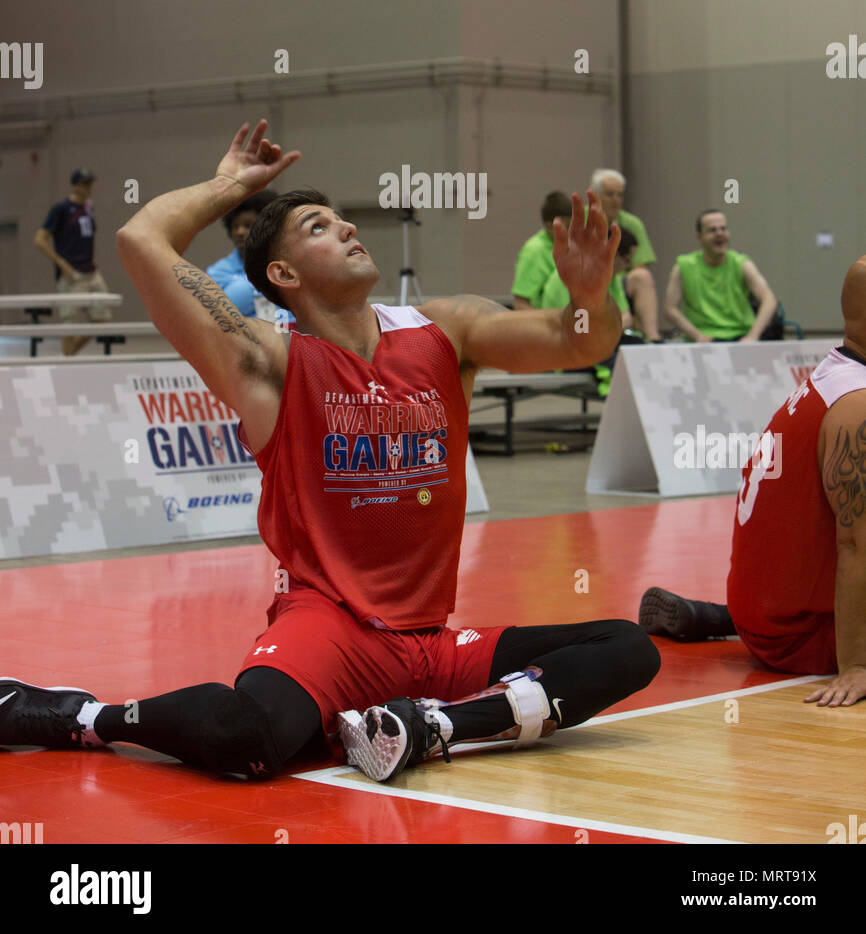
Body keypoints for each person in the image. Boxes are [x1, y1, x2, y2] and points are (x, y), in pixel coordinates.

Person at [1, 119, 659, 784]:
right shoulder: (267, 361)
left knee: (627, 646)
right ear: (282, 273)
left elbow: (582, 343)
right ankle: (74, 715)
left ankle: (431, 728)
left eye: (342, 220)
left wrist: (587, 299)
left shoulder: (445, 331)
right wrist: (229, 185)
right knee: (249, 739)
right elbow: (140, 238)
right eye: (318, 227)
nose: (346, 228)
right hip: (330, 630)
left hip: (431, 645)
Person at [640, 256, 866, 709]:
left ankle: (713, 617)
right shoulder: (857, 406)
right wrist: (857, 666)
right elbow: (856, 546)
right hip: (802, 635)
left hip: (766, 614)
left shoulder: (834, 379)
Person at [541, 227, 644, 395]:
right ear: (612, 254)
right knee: (612, 356)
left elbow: (626, 317)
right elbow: (576, 327)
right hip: (566, 348)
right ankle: (620, 398)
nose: (627, 268)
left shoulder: (610, 277)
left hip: (599, 341)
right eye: (626, 260)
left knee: (638, 347)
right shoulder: (571, 276)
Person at [664, 210, 778, 342]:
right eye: (712, 230)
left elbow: (769, 300)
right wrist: (697, 335)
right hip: (702, 342)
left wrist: (753, 336)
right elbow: (670, 309)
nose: (719, 234)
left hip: (740, 338)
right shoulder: (683, 266)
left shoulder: (741, 263)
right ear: (699, 237)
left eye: (723, 229)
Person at [33, 168, 110, 356]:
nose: (89, 187)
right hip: (71, 274)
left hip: (90, 271)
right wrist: (62, 263)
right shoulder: (62, 209)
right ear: (75, 185)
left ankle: (70, 355)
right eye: (85, 183)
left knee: (102, 320)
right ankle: (67, 363)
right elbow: (40, 240)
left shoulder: (89, 208)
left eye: (90, 183)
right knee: (70, 324)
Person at [590, 169, 661, 342]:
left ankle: (653, 339)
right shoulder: (579, 219)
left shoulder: (633, 224)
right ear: (595, 196)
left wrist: (614, 272)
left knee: (642, 277)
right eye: (610, 194)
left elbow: (639, 265)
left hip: (617, 281)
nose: (616, 201)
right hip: (588, 279)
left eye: (620, 195)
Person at [207, 189, 294, 326]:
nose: (240, 232)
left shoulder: (290, 265)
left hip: (292, 338)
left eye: (248, 225)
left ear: (266, 228)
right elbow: (216, 317)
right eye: (235, 227)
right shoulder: (217, 272)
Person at [511, 191, 573, 309]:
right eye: (566, 227)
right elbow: (520, 303)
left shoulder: (572, 246)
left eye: (572, 226)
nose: (570, 232)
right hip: (549, 323)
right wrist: (547, 326)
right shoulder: (534, 251)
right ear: (549, 225)